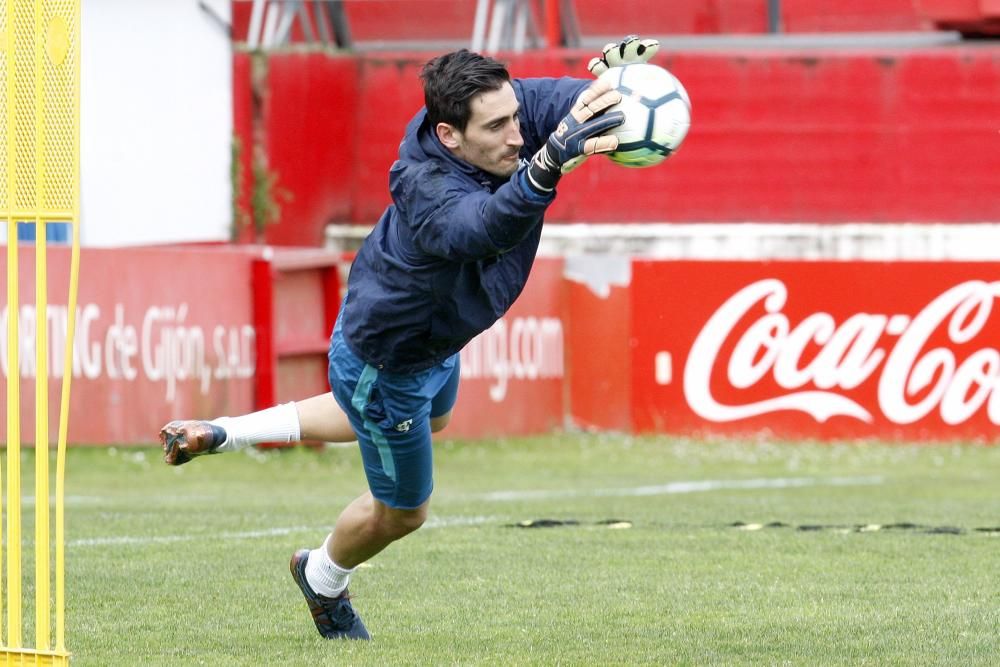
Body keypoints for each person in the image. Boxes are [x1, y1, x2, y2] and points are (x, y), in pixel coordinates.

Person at [159, 36, 660, 641]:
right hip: (392, 357)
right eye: (498, 127)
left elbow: (556, 102)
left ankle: (225, 432)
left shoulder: (495, 109)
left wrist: (609, 90)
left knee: (426, 421)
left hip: (432, 342)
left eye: (516, 118)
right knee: (403, 511)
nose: (517, 135)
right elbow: (484, 228)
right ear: (449, 134)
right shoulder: (426, 187)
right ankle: (321, 578)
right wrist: (548, 164)